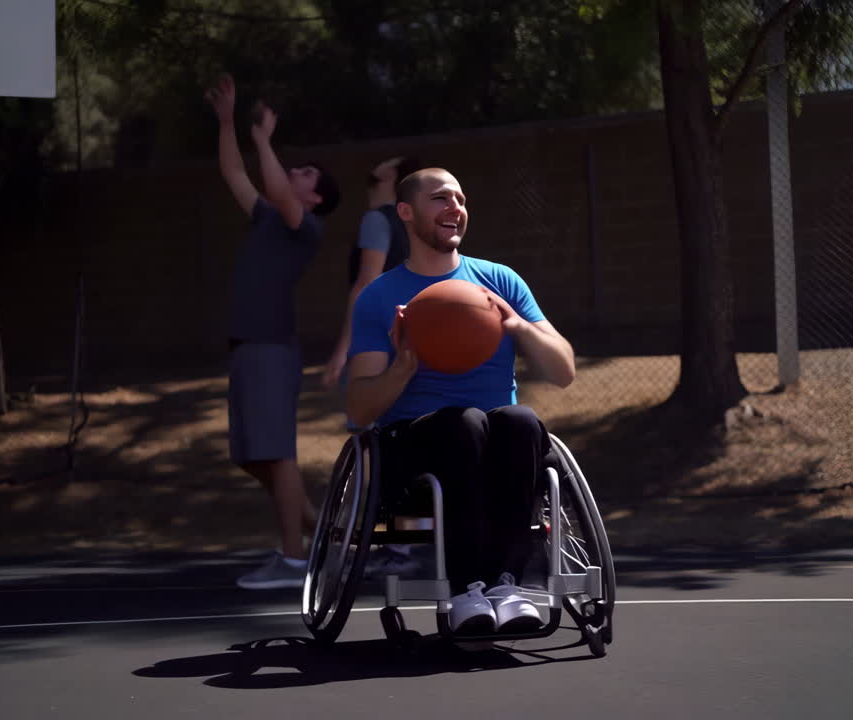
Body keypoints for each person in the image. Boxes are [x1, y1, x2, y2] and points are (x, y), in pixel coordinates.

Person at [345, 167, 576, 635]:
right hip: (414, 447)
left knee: (520, 419)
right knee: (463, 423)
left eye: (461, 199)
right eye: (441, 198)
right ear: (405, 213)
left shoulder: (500, 281)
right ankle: (467, 587)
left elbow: (563, 371)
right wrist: (404, 365)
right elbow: (359, 407)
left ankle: (505, 585)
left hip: (496, 442)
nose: (455, 208)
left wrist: (516, 327)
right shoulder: (379, 297)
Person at [205, 73, 342, 590]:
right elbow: (233, 171)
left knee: (277, 453)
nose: (297, 172)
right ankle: (318, 529)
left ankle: (293, 559)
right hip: (246, 347)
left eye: (307, 173)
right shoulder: (267, 217)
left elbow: (272, 185)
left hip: (270, 347)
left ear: (314, 198)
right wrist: (226, 122)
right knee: (251, 455)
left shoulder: (305, 227)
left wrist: (263, 138)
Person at [321, 155, 422, 393]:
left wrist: (343, 351)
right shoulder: (409, 223)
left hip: (378, 341)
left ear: (388, 175)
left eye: (388, 162)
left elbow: (365, 285)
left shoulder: (376, 220)